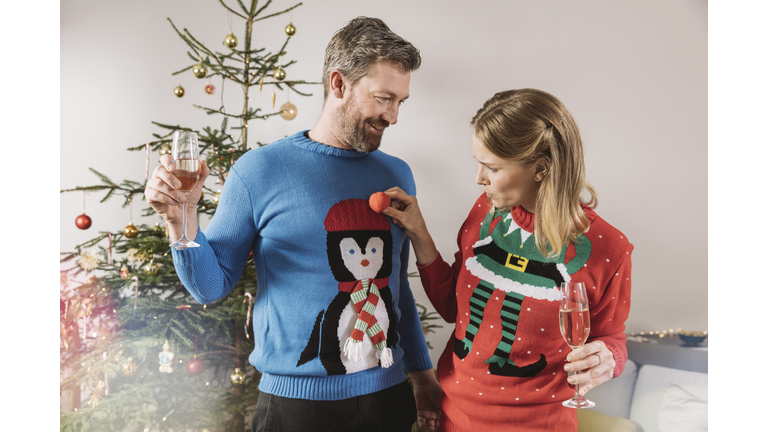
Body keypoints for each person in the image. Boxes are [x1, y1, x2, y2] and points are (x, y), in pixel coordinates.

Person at [144, 17, 441, 432]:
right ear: (338, 84)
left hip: (387, 401)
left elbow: (393, 289)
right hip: (295, 408)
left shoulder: (397, 175)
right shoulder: (259, 171)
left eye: (400, 102)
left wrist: (423, 376)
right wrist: (180, 221)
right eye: (383, 98)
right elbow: (210, 285)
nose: (392, 116)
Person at [382, 88, 633, 431]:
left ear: (541, 169)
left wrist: (610, 357)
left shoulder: (609, 249)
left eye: (492, 167)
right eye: (478, 163)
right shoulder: (485, 212)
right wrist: (419, 232)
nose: (478, 178)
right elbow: (455, 309)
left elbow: (612, 338)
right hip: (455, 419)